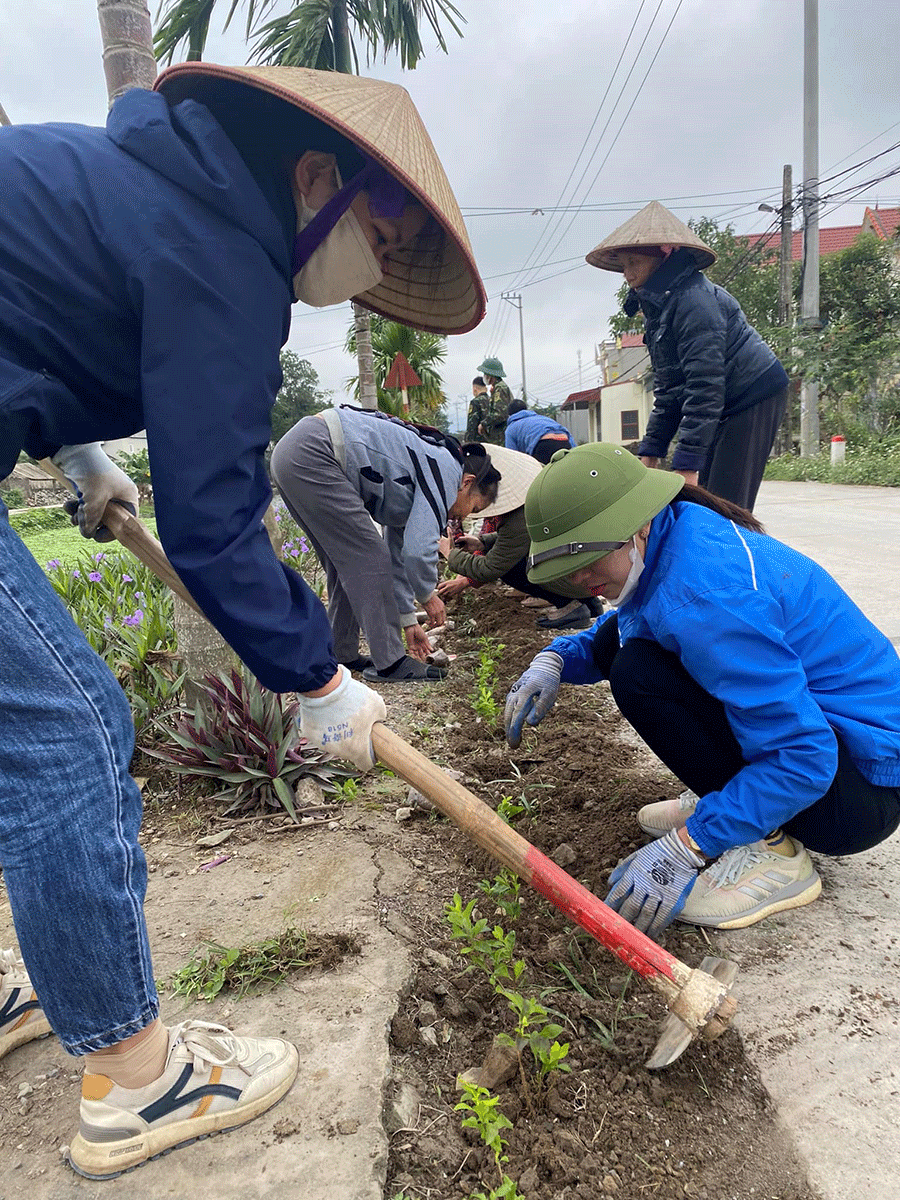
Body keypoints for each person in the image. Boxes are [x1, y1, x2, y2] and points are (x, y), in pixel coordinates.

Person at [0, 62, 484, 1179]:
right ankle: (137, 1082)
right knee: (67, 737)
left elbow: (32, 309)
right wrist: (321, 684)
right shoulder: (222, 248)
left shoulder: (136, 184)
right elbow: (216, 524)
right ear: (313, 174)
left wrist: (72, 445)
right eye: (376, 223)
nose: (374, 256)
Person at [504, 444, 900, 941]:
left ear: (638, 523)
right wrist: (558, 658)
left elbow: (804, 757)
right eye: (568, 564)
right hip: (840, 758)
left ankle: (772, 848)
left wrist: (689, 846)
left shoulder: (706, 595)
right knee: (639, 656)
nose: (581, 580)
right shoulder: (674, 538)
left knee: (640, 675)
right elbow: (630, 627)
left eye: (589, 557)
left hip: (857, 796)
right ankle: (735, 800)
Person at [587, 201, 790, 511]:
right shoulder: (658, 307)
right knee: (701, 499)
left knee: (723, 505)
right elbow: (669, 390)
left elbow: (704, 385)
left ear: (664, 253)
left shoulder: (695, 302)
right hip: (721, 400)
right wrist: (651, 450)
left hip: (752, 393)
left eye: (633, 262)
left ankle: (730, 555)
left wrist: (686, 464)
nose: (627, 273)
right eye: (623, 265)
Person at [271, 409, 499, 682]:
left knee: (345, 562)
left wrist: (407, 620)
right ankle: (390, 663)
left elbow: (399, 553)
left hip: (292, 453)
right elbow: (417, 551)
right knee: (368, 557)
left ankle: (342, 653)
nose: (464, 516)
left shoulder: (429, 470)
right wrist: (428, 596)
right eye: (473, 507)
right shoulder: (447, 471)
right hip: (316, 451)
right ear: (467, 483)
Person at [436, 445, 601, 630]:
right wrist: (482, 542)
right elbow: (523, 537)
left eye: (475, 509)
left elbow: (490, 568)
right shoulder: (532, 498)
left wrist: (450, 553)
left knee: (510, 567)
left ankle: (570, 606)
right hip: (590, 567)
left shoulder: (518, 515)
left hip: (584, 574)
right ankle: (588, 601)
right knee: (515, 554)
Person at [504, 398, 576, 463]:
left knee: (541, 475)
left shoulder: (511, 428)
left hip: (543, 445)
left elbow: (512, 455)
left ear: (510, 415)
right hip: (564, 442)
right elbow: (566, 432)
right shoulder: (542, 418)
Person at [476, 356, 513, 445]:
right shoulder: (497, 388)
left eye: (485, 374)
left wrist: (484, 424)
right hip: (499, 435)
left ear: (490, 376)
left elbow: (499, 414)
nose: (484, 376)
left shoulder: (500, 388)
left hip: (501, 437)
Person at [466, 376, 490, 442]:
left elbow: (471, 425)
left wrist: (468, 441)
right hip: (492, 441)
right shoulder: (492, 401)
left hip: (479, 442)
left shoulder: (475, 402)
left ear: (475, 388)